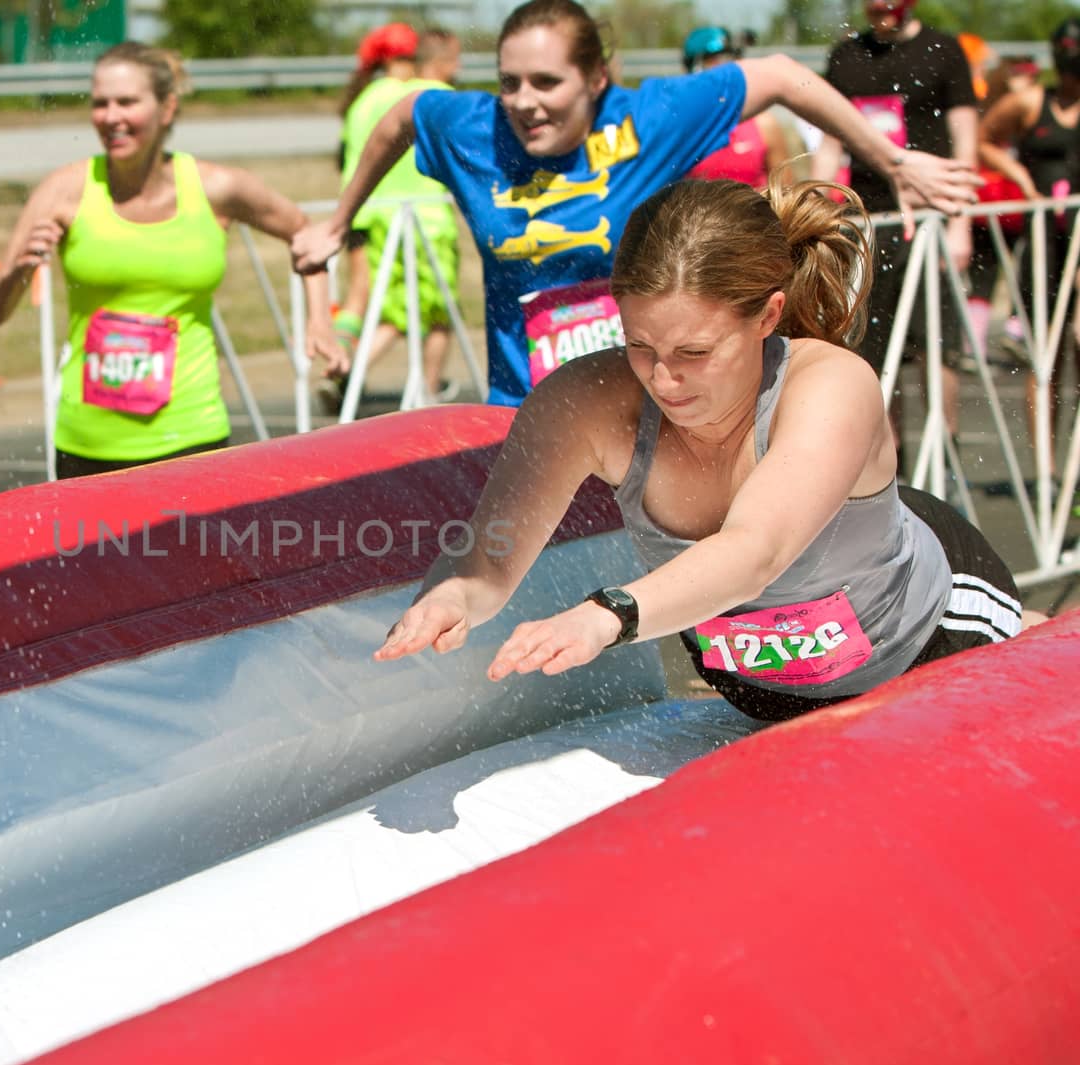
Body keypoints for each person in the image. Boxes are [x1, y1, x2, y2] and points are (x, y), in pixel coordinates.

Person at [374, 177, 1028, 721]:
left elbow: (754, 552)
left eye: (694, 353)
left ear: (768, 317)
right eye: (639, 345)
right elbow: (488, 561)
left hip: (933, 639)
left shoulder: (831, 384)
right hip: (763, 688)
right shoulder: (587, 404)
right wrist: (453, 595)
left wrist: (609, 614)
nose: (662, 380)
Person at [293, 0, 980, 409]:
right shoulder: (474, 127)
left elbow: (781, 76)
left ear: (595, 78)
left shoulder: (646, 120)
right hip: (525, 410)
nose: (526, 102)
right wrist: (337, 219)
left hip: (652, 404)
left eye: (546, 82)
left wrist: (890, 160)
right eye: (510, 82)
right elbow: (400, 117)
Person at [0, 43, 345, 479]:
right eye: (100, 104)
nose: (111, 117)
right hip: (87, 444)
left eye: (127, 102)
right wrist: (20, 270)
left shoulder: (216, 188)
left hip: (192, 437)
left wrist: (320, 321)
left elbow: (308, 236)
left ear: (167, 108)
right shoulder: (65, 190)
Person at [810, 0, 978, 459]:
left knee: (936, 343)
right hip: (871, 219)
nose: (880, 16)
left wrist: (961, 222)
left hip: (931, 216)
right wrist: (821, 217)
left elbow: (966, 141)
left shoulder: (942, 50)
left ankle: (945, 452)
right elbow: (829, 146)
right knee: (874, 346)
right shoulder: (847, 56)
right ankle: (894, 460)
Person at [324, 26, 467, 411]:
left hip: (364, 214)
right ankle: (421, 390)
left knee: (362, 300)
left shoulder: (363, 99)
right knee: (432, 312)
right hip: (418, 216)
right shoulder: (423, 97)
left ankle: (340, 364)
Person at [978, 18, 1080, 447]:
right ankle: (1046, 473)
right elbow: (983, 138)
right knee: (1045, 357)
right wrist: (1019, 175)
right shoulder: (1029, 102)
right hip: (1043, 244)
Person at [332, 23, 423, 356]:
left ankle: (338, 354)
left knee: (357, 294)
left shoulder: (360, 100)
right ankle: (351, 370)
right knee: (404, 305)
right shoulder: (404, 95)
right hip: (390, 211)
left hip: (357, 211)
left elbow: (342, 157)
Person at [681, 27, 794, 189]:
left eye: (731, 59)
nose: (726, 69)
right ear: (695, 67)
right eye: (715, 60)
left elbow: (787, 194)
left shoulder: (764, 125)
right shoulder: (682, 128)